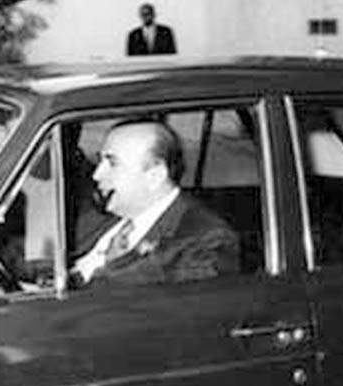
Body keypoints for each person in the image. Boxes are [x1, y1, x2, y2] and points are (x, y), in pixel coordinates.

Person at [71, 120, 238, 287]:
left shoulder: (204, 240)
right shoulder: (98, 214)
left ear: (155, 176)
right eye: (100, 161)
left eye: (113, 163)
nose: (97, 174)